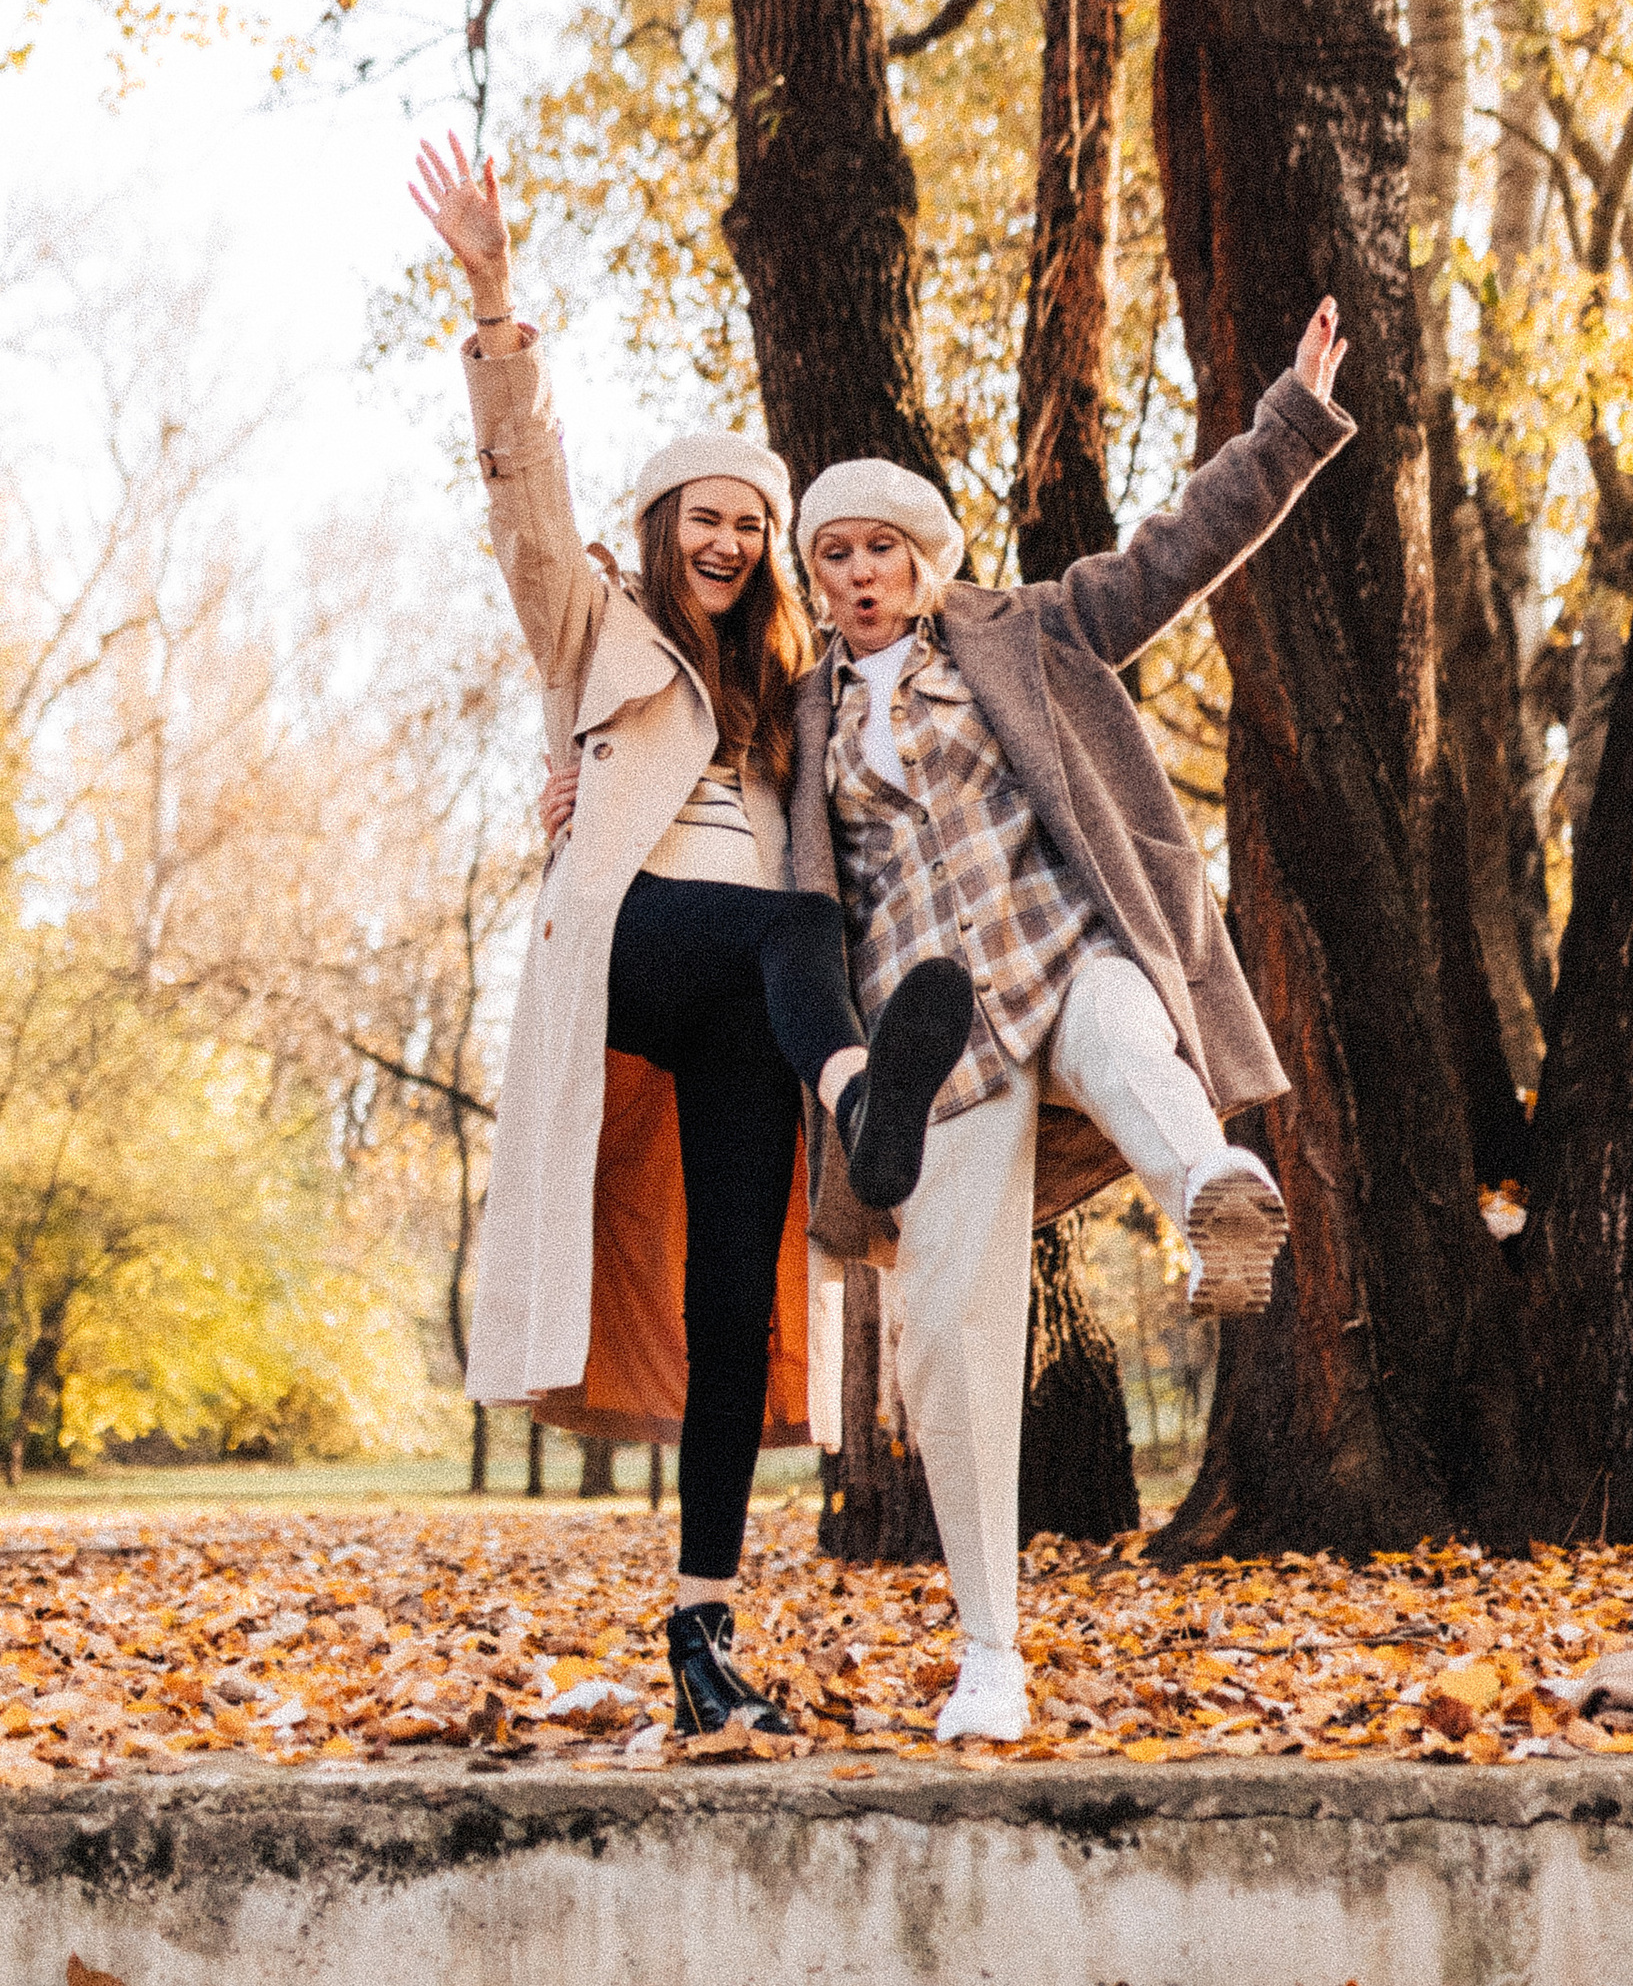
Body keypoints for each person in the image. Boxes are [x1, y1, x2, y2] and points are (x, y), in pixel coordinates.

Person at [410, 135, 975, 1737]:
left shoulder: (795, 701)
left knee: (742, 1295)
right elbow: (524, 502)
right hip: (639, 944)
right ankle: (868, 1096)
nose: (729, 541)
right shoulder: (596, 625)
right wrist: (497, 305)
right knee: (792, 927)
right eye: (705, 517)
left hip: (762, 997)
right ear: (665, 525)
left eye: (751, 523)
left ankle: (704, 1633)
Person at [789, 301, 1354, 1743]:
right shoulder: (790, 725)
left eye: (880, 549)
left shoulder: (1031, 633)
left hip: (1068, 940)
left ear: (926, 562)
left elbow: (1178, 552)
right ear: (815, 576)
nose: (858, 573)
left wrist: (1288, 416)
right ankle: (991, 1653)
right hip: (938, 1043)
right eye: (833, 554)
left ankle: (1214, 1195)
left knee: (1126, 1038)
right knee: (946, 1338)